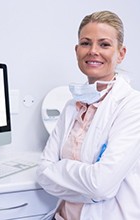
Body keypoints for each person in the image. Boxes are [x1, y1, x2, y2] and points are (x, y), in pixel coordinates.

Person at [36, 10, 140, 220]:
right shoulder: (71, 106)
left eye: (104, 44)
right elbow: (43, 173)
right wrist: (89, 189)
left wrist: (60, 168)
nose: (93, 51)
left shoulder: (132, 106)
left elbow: (101, 185)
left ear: (121, 53)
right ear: (77, 51)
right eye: (85, 43)